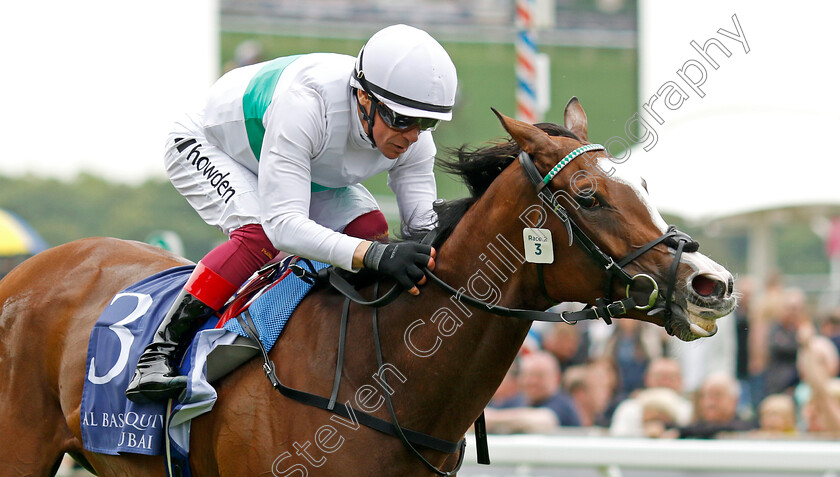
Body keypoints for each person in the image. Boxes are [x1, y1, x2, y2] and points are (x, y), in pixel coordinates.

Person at [125, 24, 458, 403]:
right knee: (259, 235)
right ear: (364, 99)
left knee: (369, 228)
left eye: (426, 123)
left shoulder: (411, 131)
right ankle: (158, 354)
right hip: (212, 143)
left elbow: (423, 227)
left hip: (300, 161)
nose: (413, 135)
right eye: (401, 120)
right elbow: (283, 226)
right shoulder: (307, 104)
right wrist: (376, 255)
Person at [484, 351, 581, 433]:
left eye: (539, 376)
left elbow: (543, 420)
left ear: (557, 378)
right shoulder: (517, 401)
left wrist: (493, 420)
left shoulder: (562, 404)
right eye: (528, 375)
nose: (532, 381)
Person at [609, 357, 693, 437]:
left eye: (671, 377)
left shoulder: (689, 410)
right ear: (647, 379)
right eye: (659, 377)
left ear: (681, 381)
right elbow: (618, 440)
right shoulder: (629, 408)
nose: (665, 382)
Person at [677, 372, 756, 439]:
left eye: (716, 395)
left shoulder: (748, 432)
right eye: (704, 396)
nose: (708, 402)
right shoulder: (690, 431)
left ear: (734, 401)